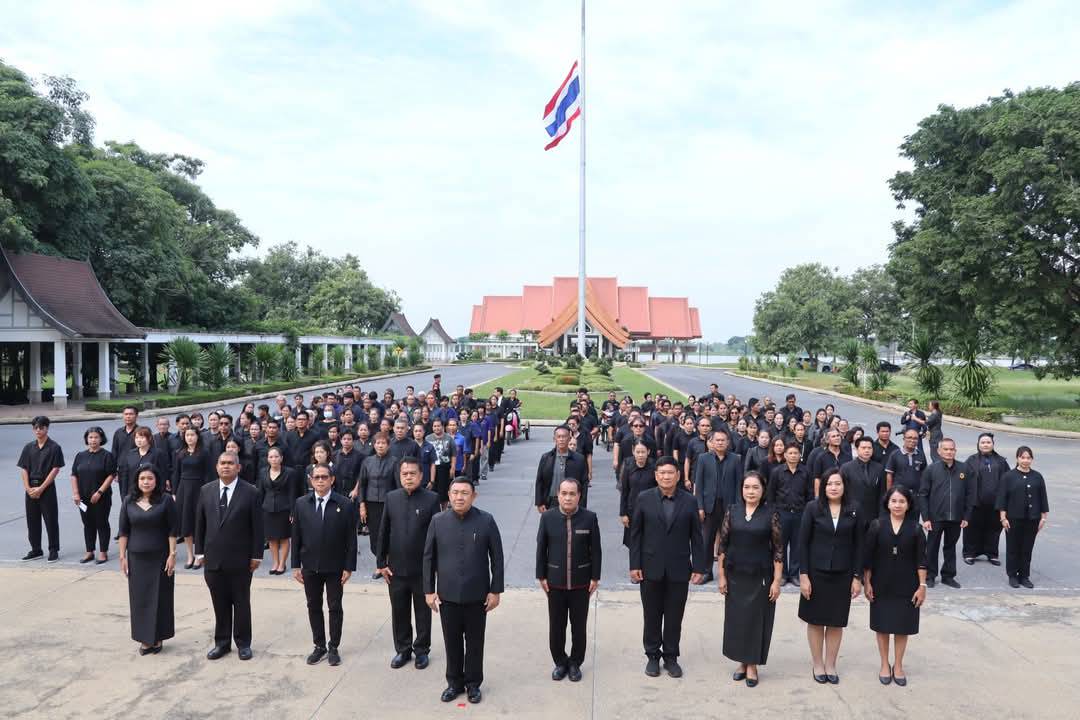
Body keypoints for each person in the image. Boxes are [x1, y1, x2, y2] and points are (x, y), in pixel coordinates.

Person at [424, 478, 505, 704]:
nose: (459, 497)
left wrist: (495, 590)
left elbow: (497, 558)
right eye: (455, 492)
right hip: (447, 596)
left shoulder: (486, 521)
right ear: (449, 495)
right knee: (452, 642)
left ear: (474, 496)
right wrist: (429, 591)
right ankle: (454, 683)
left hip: (477, 596)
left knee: (475, 642)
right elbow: (428, 558)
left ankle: (473, 684)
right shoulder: (437, 521)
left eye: (465, 493)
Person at [629, 456, 706, 679]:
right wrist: (635, 565)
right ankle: (652, 656)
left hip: (679, 568)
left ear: (678, 475)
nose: (666, 476)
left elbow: (697, 537)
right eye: (662, 472)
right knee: (651, 615)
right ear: (656, 475)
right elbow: (636, 535)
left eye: (670, 472)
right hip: (649, 567)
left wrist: (699, 567)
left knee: (674, 616)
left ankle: (671, 657)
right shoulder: (644, 499)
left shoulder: (690, 501)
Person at [194, 451, 264, 661]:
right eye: (222, 463)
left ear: (238, 467)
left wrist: (256, 555)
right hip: (213, 558)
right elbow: (200, 523)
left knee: (241, 602)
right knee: (219, 603)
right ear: (216, 467)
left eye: (230, 463)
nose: (226, 466)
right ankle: (222, 643)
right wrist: (199, 551)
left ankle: (243, 643)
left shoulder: (251, 492)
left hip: (241, 559)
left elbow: (257, 527)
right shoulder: (206, 491)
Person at [717, 471, 783, 688]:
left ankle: (752, 664)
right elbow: (723, 545)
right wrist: (722, 576)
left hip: (760, 576)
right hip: (735, 575)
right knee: (737, 621)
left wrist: (776, 580)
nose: (751, 491)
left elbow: (778, 550)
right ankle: (741, 662)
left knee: (756, 621)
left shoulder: (770, 513)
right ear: (741, 489)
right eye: (747, 487)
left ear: (763, 490)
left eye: (755, 487)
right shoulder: (732, 511)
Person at [797, 469, 862, 684]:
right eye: (829, 484)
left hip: (843, 574)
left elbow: (859, 546)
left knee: (835, 622)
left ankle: (831, 664)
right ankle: (817, 663)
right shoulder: (813, 508)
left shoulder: (854, 509)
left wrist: (856, 576)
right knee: (815, 621)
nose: (833, 487)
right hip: (815, 573)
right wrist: (804, 575)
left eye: (838, 483)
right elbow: (802, 543)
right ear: (823, 487)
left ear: (844, 486)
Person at [377, 457, 441, 670]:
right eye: (405, 473)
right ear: (399, 475)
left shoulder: (431, 499)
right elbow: (384, 531)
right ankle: (403, 649)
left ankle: (421, 650)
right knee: (399, 610)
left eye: (413, 473)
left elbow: (437, 536)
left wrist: (436, 567)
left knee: (423, 611)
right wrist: (380, 562)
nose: (409, 477)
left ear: (421, 475)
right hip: (395, 568)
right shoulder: (392, 498)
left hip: (422, 569)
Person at [536, 479, 602, 682]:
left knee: (578, 626)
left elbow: (596, 551)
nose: (568, 497)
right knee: (556, 626)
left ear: (579, 496)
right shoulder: (548, 517)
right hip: (554, 582)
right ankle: (560, 662)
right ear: (558, 494)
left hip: (581, 582)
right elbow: (541, 548)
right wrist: (541, 576)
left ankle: (575, 663)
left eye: (572, 494)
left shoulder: (589, 518)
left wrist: (595, 577)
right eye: (564, 493)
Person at [292, 463, 357, 666]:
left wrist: (349, 567)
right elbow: (296, 536)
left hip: (335, 566)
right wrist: (295, 566)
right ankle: (319, 645)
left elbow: (351, 539)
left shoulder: (345, 504)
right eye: (316, 477)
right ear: (310, 480)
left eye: (324, 477)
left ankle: (333, 646)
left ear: (332, 479)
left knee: (334, 606)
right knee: (313, 605)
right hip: (310, 565)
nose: (320, 480)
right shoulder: (301, 503)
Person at [863, 484, 927, 686]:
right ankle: (884, 664)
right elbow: (868, 558)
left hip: (907, 585)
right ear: (887, 503)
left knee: (902, 627)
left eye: (902, 501)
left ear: (908, 505)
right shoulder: (876, 525)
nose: (897, 505)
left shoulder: (916, 529)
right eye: (894, 501)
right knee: (882, 626)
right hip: (881, 584)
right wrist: (867, 582)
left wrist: (922, 586)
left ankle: (898, 665)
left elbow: (922, 561)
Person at [118, 464, 178, 655]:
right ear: (137, 481)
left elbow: (172, 530)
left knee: (160, 598)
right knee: (140, 600)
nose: (146, 482)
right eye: (142, 478)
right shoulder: (128, 501)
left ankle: (158, 638)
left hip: (160, 558)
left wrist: (172, 555)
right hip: (136, 558)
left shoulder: (166, 500)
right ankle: (145, 639)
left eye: (150, 478)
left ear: (156, 480)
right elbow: (124, 531)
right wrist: (122, 557)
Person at [918, 438, 971, 588]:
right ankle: (930, 575)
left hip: (956, 517)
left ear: (955, 451)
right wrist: (926, 518)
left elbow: (970, 494)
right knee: (932, 546)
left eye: (952, 449)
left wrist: (966, 516)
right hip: (935, 517)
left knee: (950, 546)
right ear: (939, 451)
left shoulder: (964, 469)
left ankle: (948, 576)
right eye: (946, 449)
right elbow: (923, 494)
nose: (949, 452)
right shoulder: (931, 470)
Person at [694, 430, 743, 584]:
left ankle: (728, 572)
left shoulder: (736, 459)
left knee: (729, 540)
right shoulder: (703, 459)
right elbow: (699, 484)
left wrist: (738, 508)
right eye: (717, 440)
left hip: (729, 506)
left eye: (723, 440)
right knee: (706, 540)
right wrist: (700, 506)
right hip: (709, 506)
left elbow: (738, 485)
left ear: (728, 442)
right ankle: (707, 572)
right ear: (712, 442)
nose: (720, 443)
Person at [997, 446, 1049, 589]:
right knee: (1013, 548)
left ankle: (1024, 576)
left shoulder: (1037, 476)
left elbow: (1043, 498)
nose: (1025, 460)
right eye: (1022, 457)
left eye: (1028, 458)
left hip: (1032, 519)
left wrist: (1043, 518)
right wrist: (1003, 518)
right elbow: (1002, 498)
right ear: (1017, 458)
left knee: (1027, 548)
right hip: (1013, 518)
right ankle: (1012, 575)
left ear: (1032, 459)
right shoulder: (1009, 476)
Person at [18, 416, 65, 562]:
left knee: (50, 519)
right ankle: (36, 549)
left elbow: (55, 469)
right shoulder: (28, 447)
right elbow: (24, 468)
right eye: (36, 428)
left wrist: (41, 488)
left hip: (47, 488)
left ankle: (53, 549)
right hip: (31, 487)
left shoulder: (54, 447)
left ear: (47, 428)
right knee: (32, 521)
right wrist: (28, 488)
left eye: (41, 427)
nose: (38, 430)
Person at [70, 426, 117, 564]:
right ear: (86, 439)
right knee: (87, 524)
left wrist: (100, 492)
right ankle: (89, 551)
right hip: (83, 497)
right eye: (90, 437)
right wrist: (76, 494)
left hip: (101, 497)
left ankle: (103, 552)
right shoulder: (80, 456)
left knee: (101, 523)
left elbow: (111, 475)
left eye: (96, 437)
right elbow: (74, 475)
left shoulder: (107, 455)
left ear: (101, 439)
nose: (93, 440)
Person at [767, 442, 811, 585]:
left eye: (795, 453)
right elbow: (771, 494)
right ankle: (783, 574)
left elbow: (809, 494)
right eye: (790, 453)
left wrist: (807, 512)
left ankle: (794, 574)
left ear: (800, 455)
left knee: (797, 545)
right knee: (780, 545)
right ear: (785, 455)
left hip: (800, 513)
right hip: (781, 514)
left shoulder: (806, 472)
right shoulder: (777, 472)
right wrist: (773, 513)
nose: (793, 456)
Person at [963, 433, 1010, 567]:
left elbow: (1008, 480)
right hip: (975, 502)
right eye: (983, 442)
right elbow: (964, 480)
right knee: (972, 528)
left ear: (993, 444)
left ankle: (992, 553)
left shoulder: (1001, 461)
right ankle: (970, 553)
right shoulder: (971, 460)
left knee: (994, 528)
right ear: (978, 445)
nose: (985, 445)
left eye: (988, 442)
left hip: (995, 503)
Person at [173, 427, 215, 569]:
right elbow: (176, 474)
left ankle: (199, 555)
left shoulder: (204, 453)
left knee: (199, 523)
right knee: (186, 524)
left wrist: (209, 492)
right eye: (187, 435)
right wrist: (174, 491)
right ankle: (190, 555)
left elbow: (209, 474)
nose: (189, 437)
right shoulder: (180, 453)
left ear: (198, 436)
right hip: (183, 490)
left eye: (192, 435)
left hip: (199, 489)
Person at [354, 432, 400, 561]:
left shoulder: (394, 461)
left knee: (388, 533)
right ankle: (380, 563)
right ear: (374, 445)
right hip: (371, 503)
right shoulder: (367, 461)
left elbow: (398, 485)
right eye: (378, 443)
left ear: (388, 445)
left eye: (383, 443)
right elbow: (362, 484)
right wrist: (362, 505)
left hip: (389, 503)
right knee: (374, 534)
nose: (380, 446)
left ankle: (388, 561)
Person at [257, 446, 301, 575]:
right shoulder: (263, 472)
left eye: (276, 456)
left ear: (281, 458)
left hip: (285, 508)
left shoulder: (290, 472)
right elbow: (260, 492)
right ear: (267, 459)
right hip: (267, 508)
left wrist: (293, 511)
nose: (274, 459)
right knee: (271, 538)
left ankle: (282, 564)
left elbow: (293, 493)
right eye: (271, 457)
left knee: (284, 537)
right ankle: (275, 562)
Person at [535, 426, 589, 511]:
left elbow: (584, 483)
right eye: (558, 437)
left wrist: (582, 506)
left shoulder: (579, 459)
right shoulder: (546, 457)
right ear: (554, 439)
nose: (561, 439)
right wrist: (539, 502)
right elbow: (539, 481)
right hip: (551, 501)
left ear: (569, 438)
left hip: (571, 502)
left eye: (564, 437)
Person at [841, 437, 887, 533]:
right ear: (857, 449)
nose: (867, 450)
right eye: (863, 448)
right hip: (852, 514)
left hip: (873, 516)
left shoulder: (879, 468)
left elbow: (882, 494)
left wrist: (882, 516)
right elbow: (843, 493)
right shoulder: (846, 468)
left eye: (869, 448)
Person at [619, 442, 657, 548]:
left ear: (648, 452)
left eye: (643, 452)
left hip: (651, 509)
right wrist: (623, 514)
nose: (640, 455)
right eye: (638, 452)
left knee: (649, 541)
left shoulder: (654, 467)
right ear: (633, 452)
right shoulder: (628, 467)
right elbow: (625, 491)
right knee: (633, 542)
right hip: (632, 509)